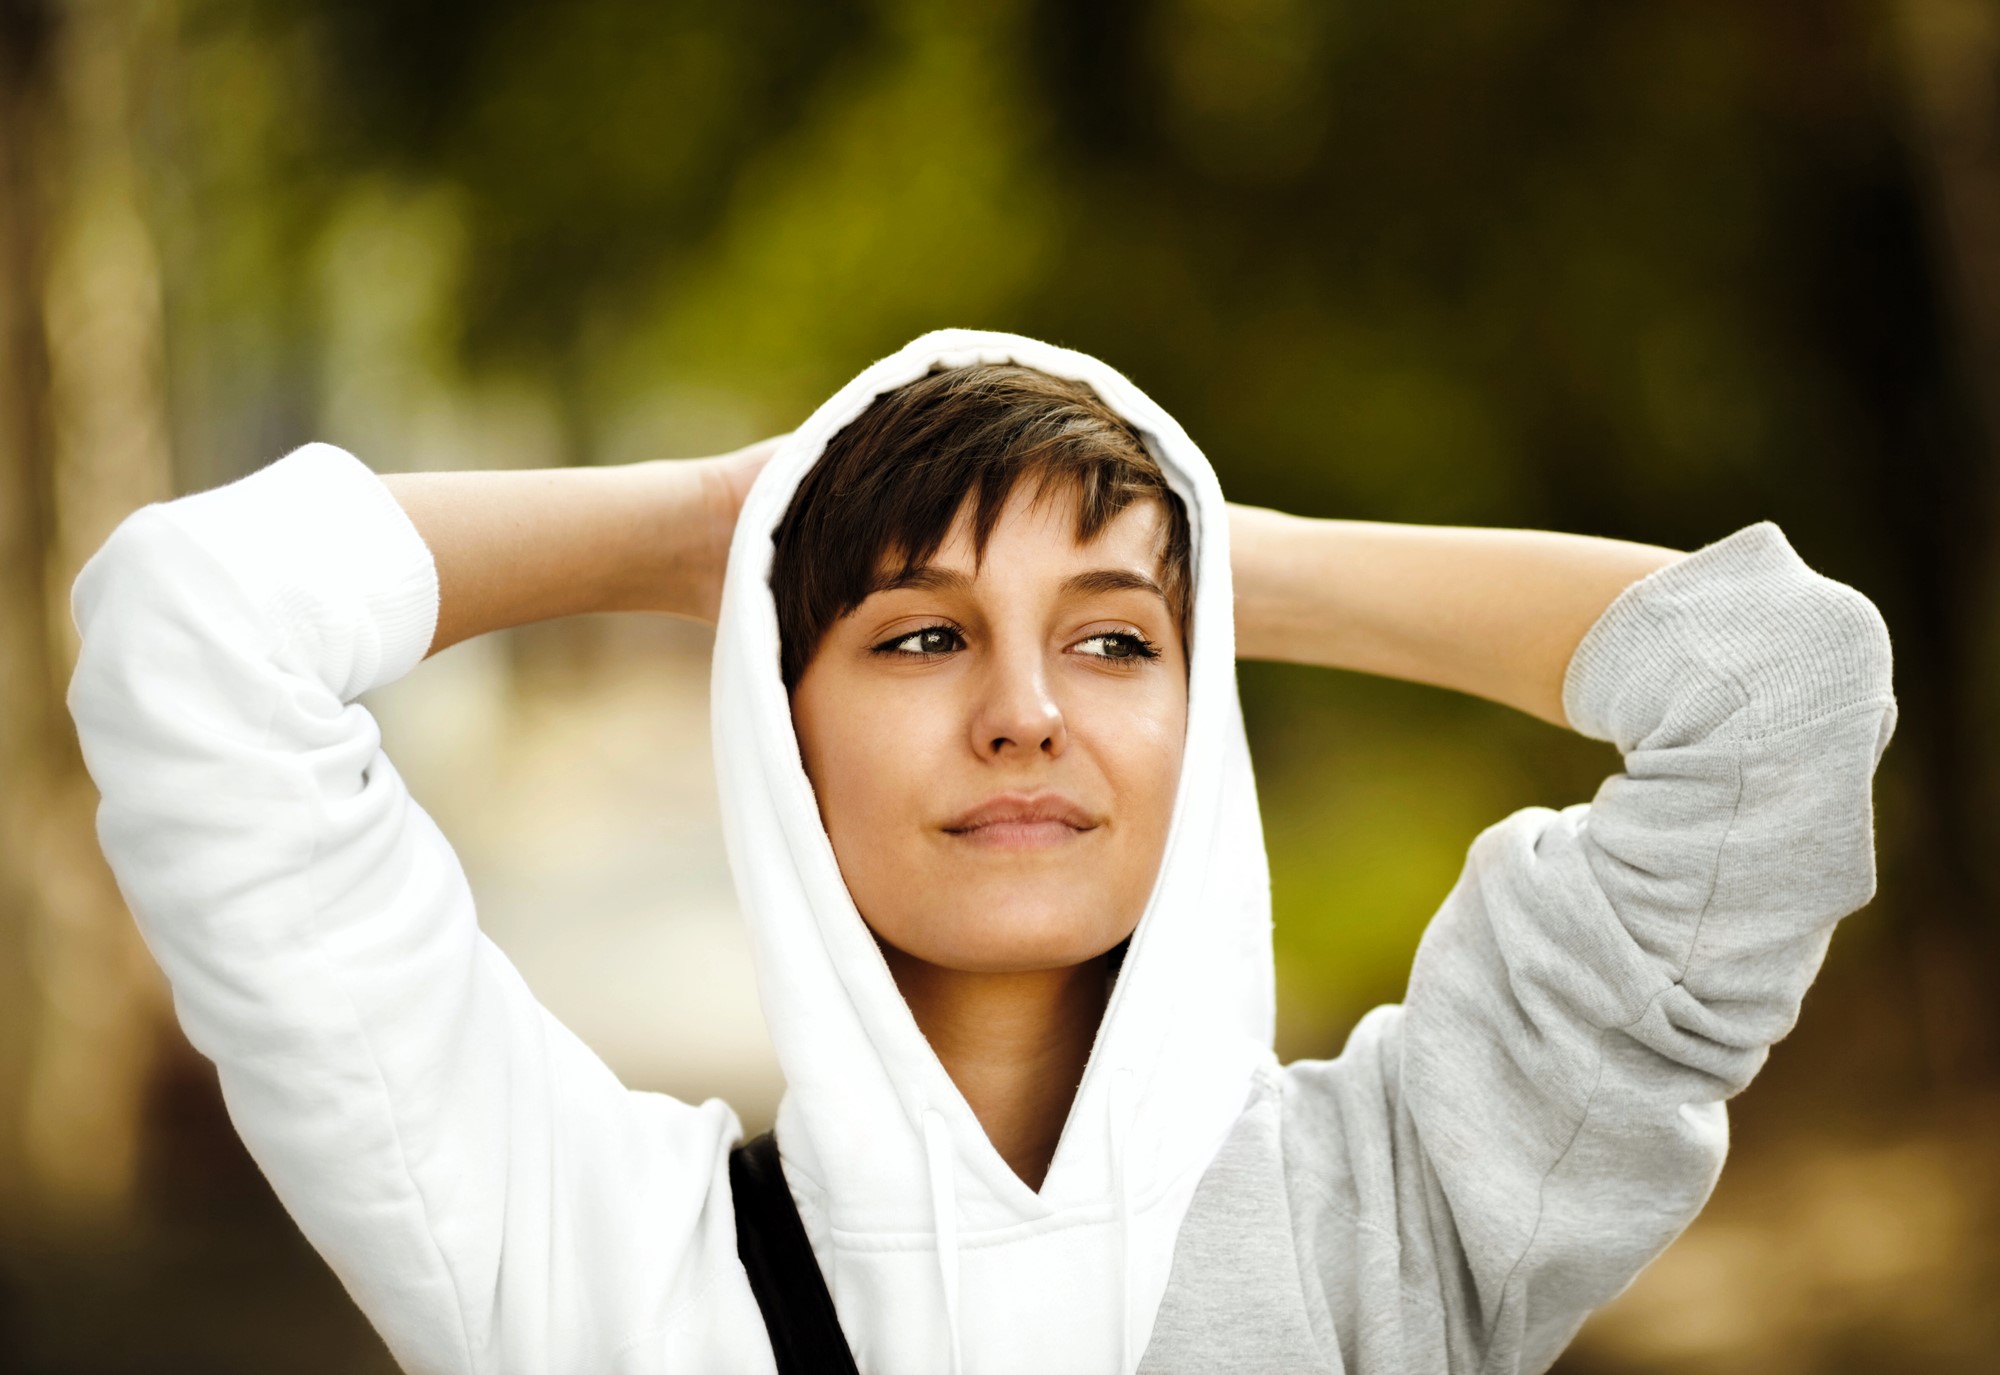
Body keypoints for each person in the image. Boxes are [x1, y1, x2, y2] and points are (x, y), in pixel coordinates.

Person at [67, 328, 1897, 1374]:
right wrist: (725, 525)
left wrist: (1206, 544)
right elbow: (189, 629)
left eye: (1114, 644)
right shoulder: (594, 1259)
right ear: (780, 728)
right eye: (919, 634)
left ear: (1205, 702)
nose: (1027, 713)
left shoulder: (1398, 1214)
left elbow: (1778, 689)